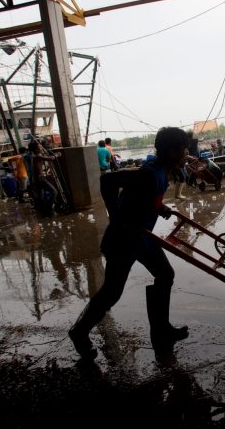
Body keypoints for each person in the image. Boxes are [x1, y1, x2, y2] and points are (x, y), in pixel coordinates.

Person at [69, 127, 190, 359]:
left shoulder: (161, 172)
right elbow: (108, 180)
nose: (186, 154)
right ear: (173, 151)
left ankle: (161, 329)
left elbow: (142, 198)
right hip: (124, 240)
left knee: (165, 274)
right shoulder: (150, 172)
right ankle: (79, 331)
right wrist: (115, 217)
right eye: (184, 150)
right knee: (112, 291)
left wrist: (159, 207)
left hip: (142, 237)